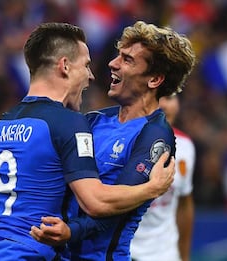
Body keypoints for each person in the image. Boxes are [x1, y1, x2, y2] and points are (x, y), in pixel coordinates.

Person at [0, 22, 175, 261]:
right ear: (64, 66)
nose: (93, 74)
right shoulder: (71, 123)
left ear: (154, 79)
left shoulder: (8, 120)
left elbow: (18, 177)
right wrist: (152, 189)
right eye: (86, 65)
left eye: (126, 59)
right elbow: (96, 202)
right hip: (32, 253)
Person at [29, 21, 196, 261]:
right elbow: (33, 169)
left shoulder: (155, 136)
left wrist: (71, 231)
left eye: (127, 60)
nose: (112, 63)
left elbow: (111, 209)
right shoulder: (94, 121)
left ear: (154, 80)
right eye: (119, 55)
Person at [130, 94, 196, 261]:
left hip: (165, 254)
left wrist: (184, 256)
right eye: (158, 97)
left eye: (171, 97)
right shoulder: (122, 141)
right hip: (125, 252)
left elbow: (184, 204)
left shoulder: (186, 146)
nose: (164, 105)